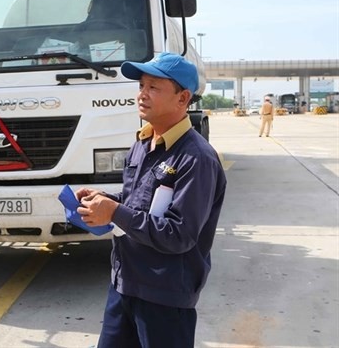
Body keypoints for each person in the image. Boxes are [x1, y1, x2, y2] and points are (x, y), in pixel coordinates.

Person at [74, 52, 227, 348]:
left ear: (182, 99)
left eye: (154, 87)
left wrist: (115, 212)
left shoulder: (196, 158)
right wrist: (105, 200)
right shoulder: (143, 142)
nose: (142, 94)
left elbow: (179, 235)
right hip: (125, 285)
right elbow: (137, 201)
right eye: (141, 85)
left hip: (165, 295)